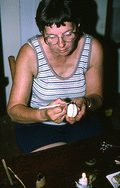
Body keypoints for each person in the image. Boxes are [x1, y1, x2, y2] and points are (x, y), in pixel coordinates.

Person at [7, 0, 105, 154]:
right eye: (51, 37)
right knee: (58, 167)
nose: (61, 44)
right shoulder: (30, 53)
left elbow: (97, 97)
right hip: (37, 124)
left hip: (82, 122)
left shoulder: (93, 48)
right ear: (41, 31)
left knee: (96, 164)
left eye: (68, 34)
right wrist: (43, 114)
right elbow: (13, 111)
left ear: (78, 25)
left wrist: (86, 102)